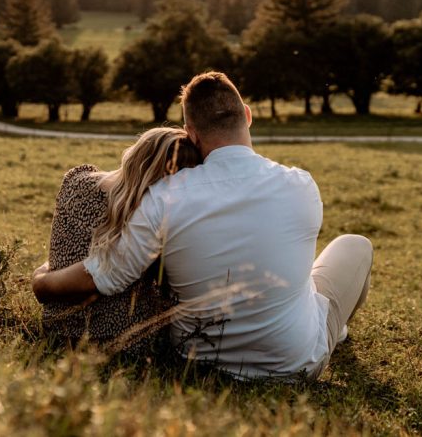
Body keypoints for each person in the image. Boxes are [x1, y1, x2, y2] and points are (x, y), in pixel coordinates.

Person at [32, 71, 373, 380]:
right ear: (248, 116)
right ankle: (332, 332)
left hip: (196, 358)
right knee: (356, 246)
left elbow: (106, 274)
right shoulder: (301, 185)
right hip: (292, 363)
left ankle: (328, 328)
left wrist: (42, 284)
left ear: (191, 135)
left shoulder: (165, 197)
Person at [42, 127, 201, 350]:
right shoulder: (151, 213)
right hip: (125, 339)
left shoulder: (76, 180)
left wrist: (43, 273)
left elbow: (62, 248)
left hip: (57, 327)